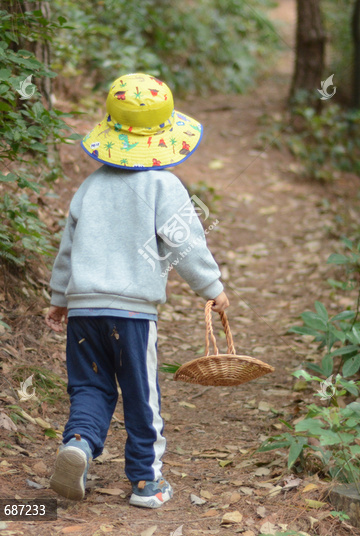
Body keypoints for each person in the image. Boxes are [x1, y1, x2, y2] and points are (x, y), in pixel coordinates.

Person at [44, 73, 229, 509]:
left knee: (90, 387)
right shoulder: (163, 186)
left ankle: (79, 445)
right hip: (132, 317)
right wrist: (212, 287)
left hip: (85, 310)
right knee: (141, 394)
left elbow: (67, 249)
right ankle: (147, 481)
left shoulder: (89, 187)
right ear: (163, 137)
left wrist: (58, 299)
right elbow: (186, 243)